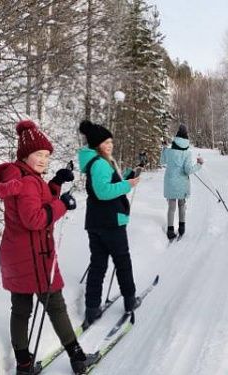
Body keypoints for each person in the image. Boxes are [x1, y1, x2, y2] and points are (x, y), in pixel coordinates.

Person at [0, 120, 99, 375]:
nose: (44, 159)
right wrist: (63, 205)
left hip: (16, 255)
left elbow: (38, 200)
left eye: (46, 155)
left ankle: (23, 364)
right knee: (55, 306)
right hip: (34, 257)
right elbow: (34, 218)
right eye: (39, 154)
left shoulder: (23, 176)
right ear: (25, 154)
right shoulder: (27, 181)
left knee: (21, 309)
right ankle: (77, 358)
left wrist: (55, 183)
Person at [77, 120, 141, 325]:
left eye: (111, 141)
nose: (110, 145)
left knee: (98, 264)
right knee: (122, 261)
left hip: (97, 221)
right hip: (110, 222)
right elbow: (103, 192)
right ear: (97, 145)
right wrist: (126, 185)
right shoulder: (100, 164)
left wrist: (129, 177)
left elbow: (108, 185)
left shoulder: (97, 162)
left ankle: (92, 309)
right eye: (106, 142)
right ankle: (130, 300)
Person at [159, 124, 204, 240]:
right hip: (182, 184)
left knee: (171, 207)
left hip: (170, 183)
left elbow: (162, 161)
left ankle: (170, 230)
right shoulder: (187, 153)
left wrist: (163, 149)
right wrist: (199, 164)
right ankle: (182, 228)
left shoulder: (169, 151)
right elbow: (188, 170)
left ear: (177, 137)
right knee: (182, 205)